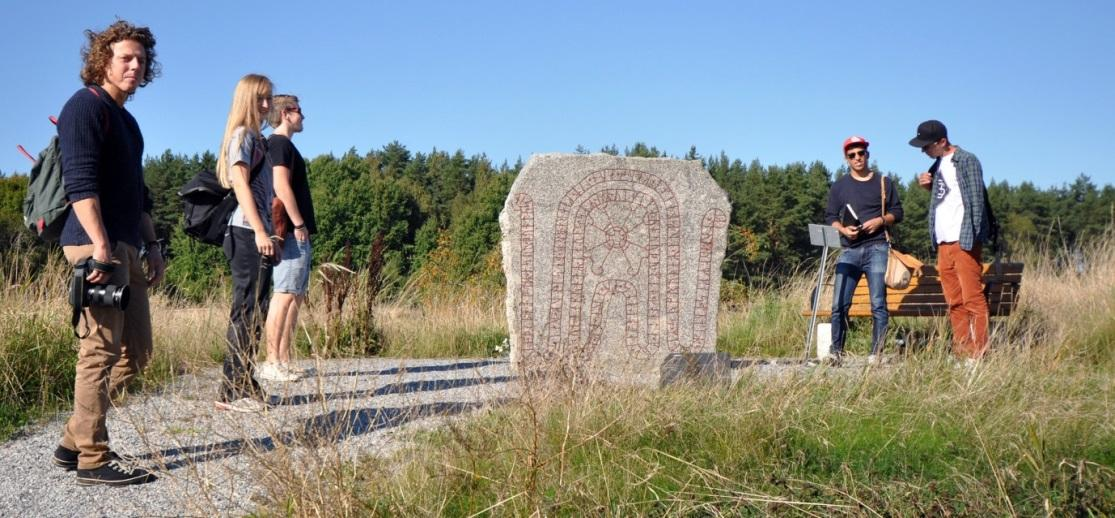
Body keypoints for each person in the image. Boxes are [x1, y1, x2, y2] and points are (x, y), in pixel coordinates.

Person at [50, 20, 163, 486]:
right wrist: (99, 249)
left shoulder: (127, 120)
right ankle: (93, 460)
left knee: (136, 352)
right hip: (94, 243)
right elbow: (80, 183)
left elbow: (138, 193)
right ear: (102, 61)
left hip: (127, 245)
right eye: (125, 58)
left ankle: (73, 439)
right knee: (98, 351)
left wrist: (153, 244)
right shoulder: (84, 107)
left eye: (141, 60)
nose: (134, 66)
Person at [215, 74, 276, 412]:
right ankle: (232, 391)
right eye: (260, 99)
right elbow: (240, 185)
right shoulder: (242, 136)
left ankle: (243, 381)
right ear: (246, 101)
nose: (266, 106)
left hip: (256, 232)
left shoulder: (257, 139)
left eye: (269, 98)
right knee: (246, 311)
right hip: (245, 233)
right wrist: (259, 231)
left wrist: (269, 231)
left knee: (256, 311)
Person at [911, 120, 992, 364]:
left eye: (926, 146)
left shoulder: (967, 160)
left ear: (942, 142)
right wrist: (928, 187)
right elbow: (945, 199)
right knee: (954, 301)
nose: (923, 151)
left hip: (963, 239)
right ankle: (962, 351)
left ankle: (979, 354)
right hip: (943, 241)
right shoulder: (938, 165)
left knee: (972, 298)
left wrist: (972, 237)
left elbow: (976, 201)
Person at [824, 136, 903, 365]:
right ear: (846, 159)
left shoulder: (884, 182)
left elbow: (898, 212)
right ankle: (835, 352)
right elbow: (830, 216)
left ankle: (875, 354)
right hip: (849, 250)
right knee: (839, 303)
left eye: (861, 153)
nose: (857, 158)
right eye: (852, 155)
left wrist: (880, 221)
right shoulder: (839, 186)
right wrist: (843, 229)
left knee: (878, 303)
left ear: (868, 154)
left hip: (877, 247)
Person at [260, 95, 315, 382]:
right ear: (285, 114)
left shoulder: (285, 145)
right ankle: (272, 361)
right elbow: (280, 185)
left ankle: (284, 358)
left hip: (296, 231)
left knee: (296, 295)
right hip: (292, 231)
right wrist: (299, 223)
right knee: (283, 295)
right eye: (298, 111)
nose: (303, 116)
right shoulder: (279, 144)